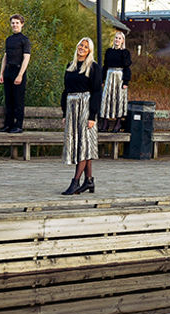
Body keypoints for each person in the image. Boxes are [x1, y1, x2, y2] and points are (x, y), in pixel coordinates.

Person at [60, 37, 102, 196]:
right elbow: (65, 90)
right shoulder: (70, 66)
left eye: (86, 46)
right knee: (81, 145)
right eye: (81, 45)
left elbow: (97, 92)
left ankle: (75, 182)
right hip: (72, 107)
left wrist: (92, 116)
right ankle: (89, 180)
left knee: (84, 145)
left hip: (85, 106)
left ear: (90, 50)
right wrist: (65, 112)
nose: (82, 48)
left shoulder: (93, 67)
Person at [0, 14, 31, 134]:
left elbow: (26, 58)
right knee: (9, 100)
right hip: (8, 71)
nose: (15, 25)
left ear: (22, 24)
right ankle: (8, 125)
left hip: (18, 71)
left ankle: (18, 126)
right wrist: (1, 73)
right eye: (13, 23)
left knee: (18, 100)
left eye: (17, 23)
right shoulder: (9, 39)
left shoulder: (24, 40)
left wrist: (20, 75)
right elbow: (5, 57)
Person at [99, 31, 131, 133]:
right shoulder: (109, 51)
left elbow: (127, 67)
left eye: (119, 38)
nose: (117, 40)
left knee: (119, 98)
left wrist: (126, 81)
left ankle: (118, 122)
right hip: (109, 75)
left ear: (122, 41)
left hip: (119, 77)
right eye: (116, 38)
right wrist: (102, 79)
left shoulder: (125, 52)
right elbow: (105, 66)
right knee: (106, 98)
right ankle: (105, 122)